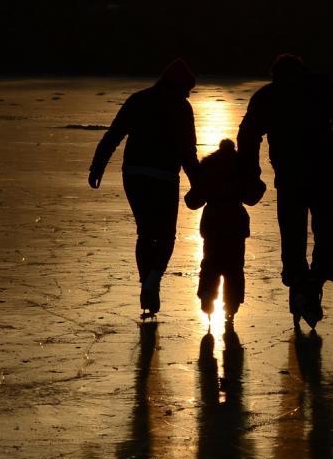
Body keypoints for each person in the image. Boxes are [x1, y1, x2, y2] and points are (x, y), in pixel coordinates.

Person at [237, 54, 333, 329]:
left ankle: (301, 283)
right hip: (322, 172)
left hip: (291, 176)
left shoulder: (270, 94)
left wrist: (252, 174)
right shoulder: (322, 86)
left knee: (293, 234)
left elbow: (248, 134)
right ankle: (311, 282)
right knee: (327, 231)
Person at [88, 58, 198, 315]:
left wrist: (97, 166)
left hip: (134, 174)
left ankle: (146, 284)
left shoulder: (137, 99)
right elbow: (188, 151)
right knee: (167, 235)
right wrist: (198, 185)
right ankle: (153, 279)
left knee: (145, 233)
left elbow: (113, 135)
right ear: (180, 86)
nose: (187, 94)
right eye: (187, 89)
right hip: (164, 176)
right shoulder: (182, 108)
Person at [185, 138, 265, 321]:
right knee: (234, 267)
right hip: (235, 224)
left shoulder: (208, 167)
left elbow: (193, 200)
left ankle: (207, 293)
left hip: (212, 222)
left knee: (210, 263)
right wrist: (259, 184)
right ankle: (232, 303)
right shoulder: (242, 167)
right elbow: (251, 197)